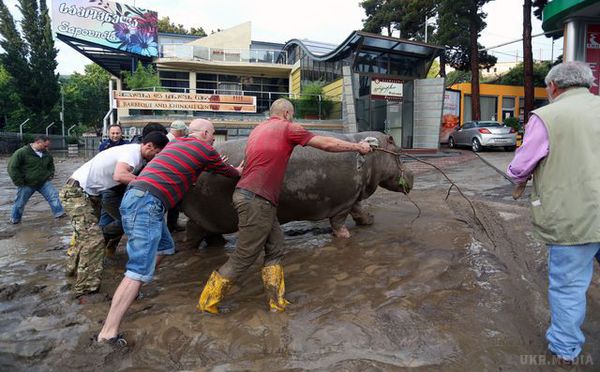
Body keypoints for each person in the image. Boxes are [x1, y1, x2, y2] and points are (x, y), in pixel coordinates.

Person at [197, 98, 372, 314]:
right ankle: (207, 303)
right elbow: (326, 144)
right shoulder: (288, 128)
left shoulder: (260, 129)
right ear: (288, 113)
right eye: (292, 115)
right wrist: (358, 147)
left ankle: (276, 301)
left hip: (256, 198)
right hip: (256, 199)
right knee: (244, 255)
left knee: (276, 247)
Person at [97, 119, 242, 344]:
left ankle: (132, 293)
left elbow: (183, 170)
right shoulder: (205, 148)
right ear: (205, 133)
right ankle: (108, 332)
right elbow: (229, 172)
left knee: (165, 247)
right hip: (147, 204)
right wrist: (238, 169)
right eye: (212, 135)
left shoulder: (175, 145)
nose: (214, 139)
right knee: (137, 270)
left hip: (135, 197)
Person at [507, 61, 600, 364]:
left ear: (554, 87)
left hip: (574, 217)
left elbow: (521, 166)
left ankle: (565, 351)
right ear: (588, 85)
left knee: (569, 286)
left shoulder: (548, 116)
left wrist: (518, 178)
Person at [60, 132, 169, 297]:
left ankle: (71, 271)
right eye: (157, 153)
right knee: (93, 240)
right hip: (76, 192)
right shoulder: (132, 154)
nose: (157, 157)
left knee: (85, 237)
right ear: (149, 146)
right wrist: (148, 185)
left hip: (89, 194)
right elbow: (119, 175)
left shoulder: (135, 155)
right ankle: (86, 290)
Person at [8, 135, 65, 224]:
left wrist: (50, 174)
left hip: (43, 182)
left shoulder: (46, 154)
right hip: (27, 183)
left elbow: (51, 165)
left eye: (47, 146)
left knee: (54, 197)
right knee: (20, 203)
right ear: (38, 142)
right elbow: (12, 168)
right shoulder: (22, 152)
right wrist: (18, 181)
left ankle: (60, 214)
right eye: (45, 146)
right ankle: (15, 220)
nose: (47, 148)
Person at [166, 120, 188, 232]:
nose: (186, 134)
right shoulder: (170, 142)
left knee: (173, 204)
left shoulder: (169, 139)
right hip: (167, 178)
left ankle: (172, 225)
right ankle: (168, 229)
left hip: (168, 177)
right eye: (184, 131)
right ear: (180, 131)